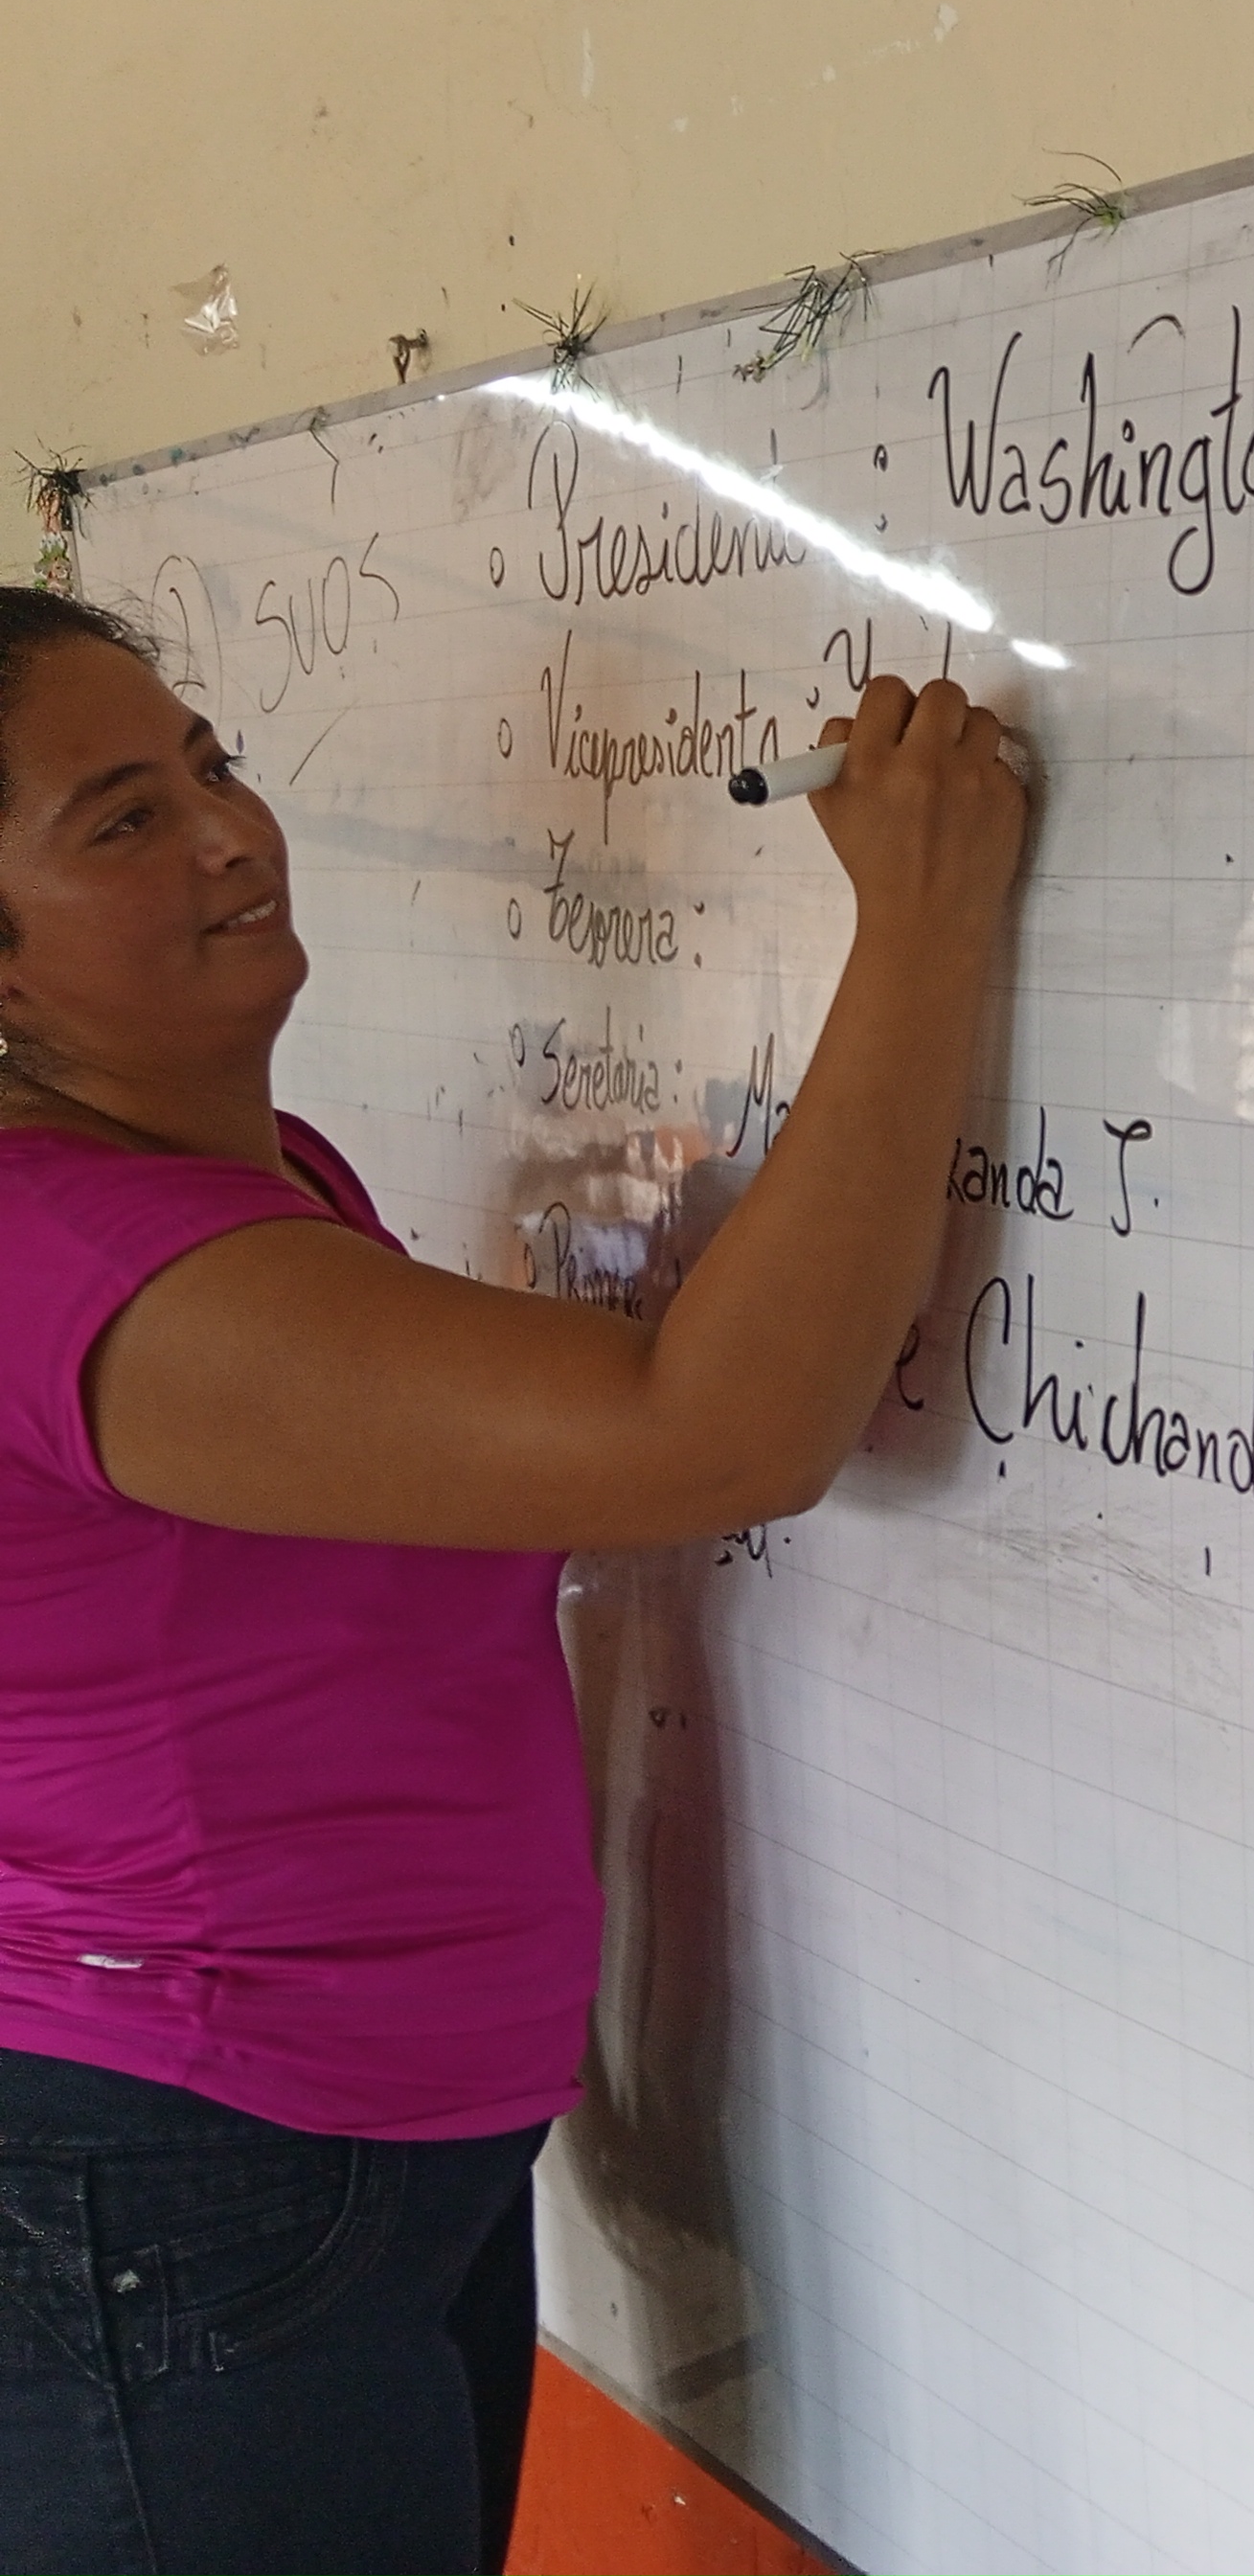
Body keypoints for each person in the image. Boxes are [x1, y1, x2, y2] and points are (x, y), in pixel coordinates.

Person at [0, 585, 1024, 2575]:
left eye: (208, 764)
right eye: (122, 820)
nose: (228, 833)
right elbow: (721, 1437)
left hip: (332, 2150)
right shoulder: (66, 1250)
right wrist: (923, 918)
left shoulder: (254, 1177)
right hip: (181, 2182)